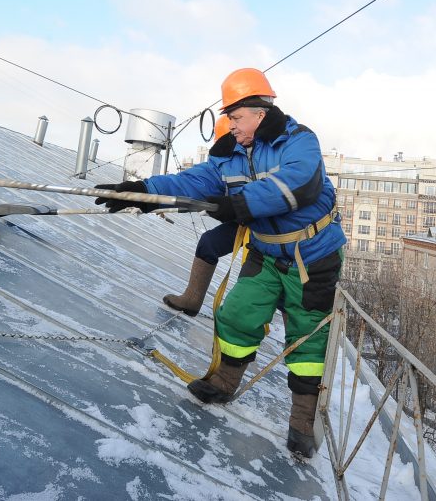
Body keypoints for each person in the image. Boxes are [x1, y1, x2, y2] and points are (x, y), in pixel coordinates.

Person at [95, 68, 345, 458]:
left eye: (235, 116)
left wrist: (237, 205)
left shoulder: (297, 141)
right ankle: (225, 382)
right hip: (264, 253)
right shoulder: (230, 156)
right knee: (236, 315)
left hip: (312, 258)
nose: (229, 124)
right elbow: (192, 181)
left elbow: (297, 184)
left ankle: (301, 421)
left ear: (260, 112)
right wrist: (143, 192)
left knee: (307, 337)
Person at [162, 114, 238, 316]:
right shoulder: (224, 162)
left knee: (272, 274)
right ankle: (192, 299)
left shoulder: (258, 158)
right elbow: (195, 183)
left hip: (272, 227)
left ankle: (298, 338)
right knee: (209, 243)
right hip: (244, 221)